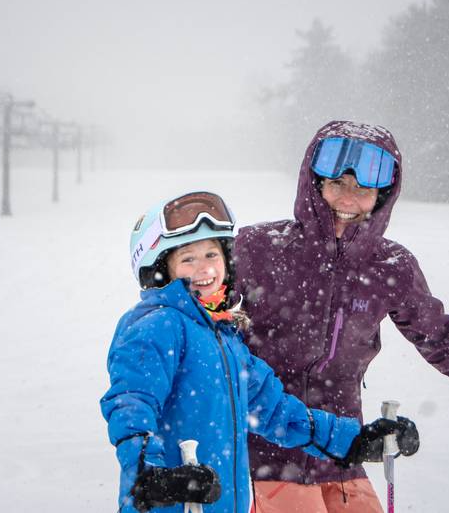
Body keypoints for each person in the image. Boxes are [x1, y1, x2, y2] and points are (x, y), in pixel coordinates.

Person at [233, 120, 449, 512]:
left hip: (341, 455)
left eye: (362, 188)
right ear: (314, 181)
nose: (348, 197)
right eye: (338, 183)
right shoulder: (259, 247)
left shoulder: (390, 267)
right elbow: (198, 317)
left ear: (382, 195)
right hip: (262, 451)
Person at [100, 191, 419, 513]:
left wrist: (355, 440)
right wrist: (149, 475)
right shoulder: (156, 325)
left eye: (212, 254)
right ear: (160, 270)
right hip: (169, 504)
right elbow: (131, 403)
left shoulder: (224, 339)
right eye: (188, 259)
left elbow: (277, 412)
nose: (205, 268)